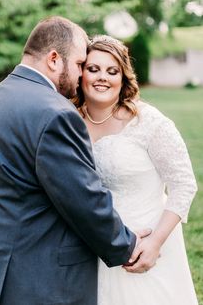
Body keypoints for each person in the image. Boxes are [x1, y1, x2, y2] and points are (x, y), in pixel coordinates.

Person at [0, 17, 151, 305]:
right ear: (54, 59)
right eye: (79, 64)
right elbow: (82, 197)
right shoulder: (55, 113)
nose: (82, 75)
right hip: (36, 279)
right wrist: (126, 246)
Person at [74, 34, 199, 305]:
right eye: (93, 69)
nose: (102, 77)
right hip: (92, 243)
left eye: (112, 71)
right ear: (81, 74)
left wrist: (154, 243)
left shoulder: (148, 122)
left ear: (123, 77)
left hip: (146, 241)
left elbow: (184, 184)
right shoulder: (69, 122)